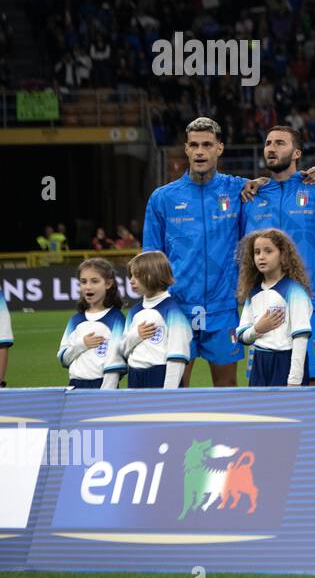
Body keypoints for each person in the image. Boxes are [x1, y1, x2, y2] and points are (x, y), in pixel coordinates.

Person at [142, 117, 246, 387]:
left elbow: (277, 182)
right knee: (175, 388)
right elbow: (151, 259)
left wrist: (311, 176)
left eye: (207, 145)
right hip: (177, 308)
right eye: (194, 145)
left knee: (227, 390)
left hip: (223, 308)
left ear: (219, 148)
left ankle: (227, 432)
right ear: (186, 149)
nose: (200, 151)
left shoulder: (238, 189)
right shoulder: (163, 198)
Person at [240, 125, 315, 384]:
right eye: (268, 143)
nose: (271, 148)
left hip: (309, 299)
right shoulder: (251, 196)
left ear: (297, 153)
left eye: (280, 143)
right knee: (264, 382)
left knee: (313, 380)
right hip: (263, 302)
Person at [235, 229, 313, 387]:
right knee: (258, 410)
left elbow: (300, 338)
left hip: (285, 361)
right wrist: (258, 329)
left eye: (268, 251)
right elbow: (242, 335)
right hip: (260, 362)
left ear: (283, 255)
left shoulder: (294, 291)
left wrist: (294, 380)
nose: (261, 257)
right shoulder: (254, 292)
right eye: (257, 252)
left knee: (284, 412)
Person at [121, 251, 192, 389]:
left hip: (160, 375)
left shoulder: (172, 311)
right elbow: (123, 349)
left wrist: (168, 392)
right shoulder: (134, 311)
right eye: (131, 275)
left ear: (154, 275)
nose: (131, 280)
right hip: (135, 375)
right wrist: (137, 335)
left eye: (137, 275)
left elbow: (177, 356)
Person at [57, 257, 127, 390]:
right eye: (83, 282)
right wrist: (82, 345)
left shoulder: (116, 319)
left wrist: (105, 394)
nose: (88, 286)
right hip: (75, 386)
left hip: (104, 386)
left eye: (95, 281)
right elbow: (63, 358)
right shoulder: (75, 320)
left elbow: (116, 362)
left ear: (108, 283)